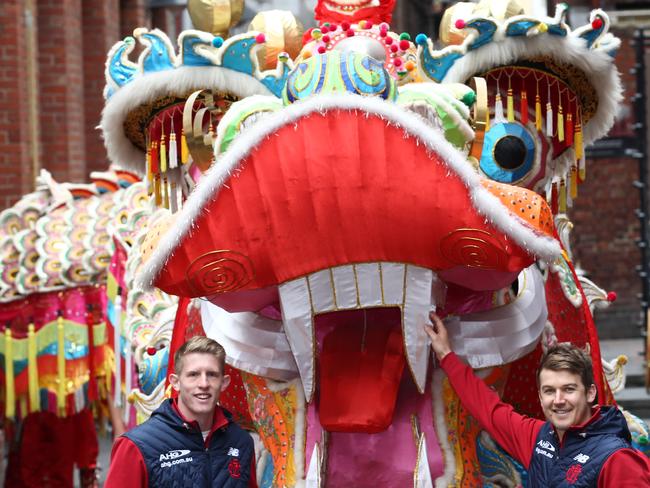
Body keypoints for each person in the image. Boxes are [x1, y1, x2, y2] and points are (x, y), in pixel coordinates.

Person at [425, 312, 650, 487]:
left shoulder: (618, 459)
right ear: (541, 397)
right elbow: (489, 409)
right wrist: (446, 356)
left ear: (590, 393)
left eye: (569, 389)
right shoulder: (539, 438)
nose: (559, 400)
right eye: (550, 391)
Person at [105, 336, 257, 487]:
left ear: (224, 383)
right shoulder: (136, 446)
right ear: (175, 382)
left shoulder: (241, 442)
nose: (203, 384)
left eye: (211, 374)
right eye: (193, 375)